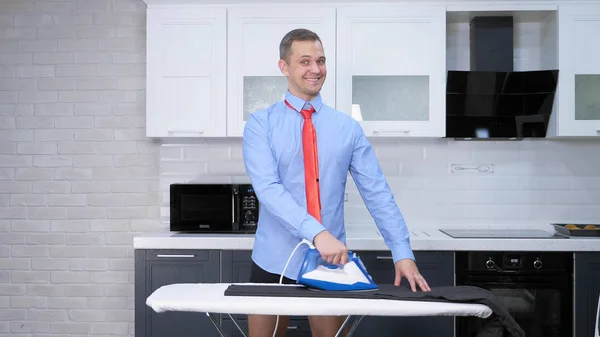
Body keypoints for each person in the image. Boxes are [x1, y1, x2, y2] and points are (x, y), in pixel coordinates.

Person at [241, 28, 431, 337]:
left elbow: (377, 191)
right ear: (284, 67)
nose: (315, 69)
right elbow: (269, 190)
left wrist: (402, 252)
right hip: (273, 260)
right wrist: (318, 234)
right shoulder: (261, 125)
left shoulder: (347, 128)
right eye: (304, 61)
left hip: (329, 263)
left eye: (321, 60)